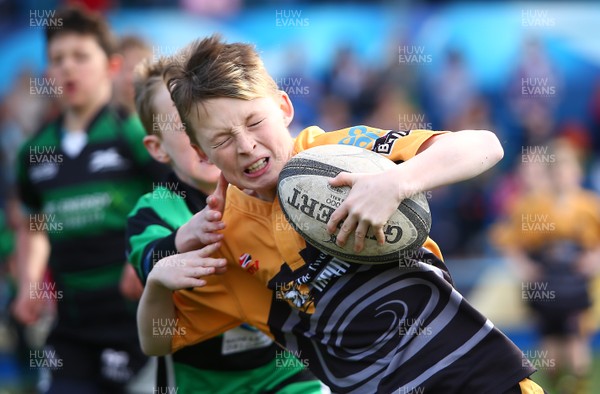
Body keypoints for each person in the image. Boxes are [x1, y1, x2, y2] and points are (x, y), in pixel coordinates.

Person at [137, 35, 546, 393]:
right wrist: (156, 284)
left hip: (482, 375)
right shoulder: (226, 238)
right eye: (222, 139)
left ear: (283, 108)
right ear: (201, 153)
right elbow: (156, 341)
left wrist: (395, 183)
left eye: (254, 121)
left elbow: (485, 146)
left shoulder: (338, 152)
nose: (245, 145)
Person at [126, 57, 326, 394]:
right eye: (183, 124)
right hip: (204, 383)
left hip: (290, 372)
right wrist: (177, 244)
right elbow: (148, 267)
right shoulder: (156, 209)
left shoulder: (273, 181)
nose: (200, 132)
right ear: (158, 148)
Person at [12, 6, 166, 392]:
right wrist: (30, 282)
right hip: (71, 328)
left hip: (137, 325)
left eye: (81, 56)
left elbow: (174, 193)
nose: (68, 68)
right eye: (58, 59)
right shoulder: (34, 151)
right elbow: (33, 223)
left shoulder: (133, 134)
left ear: (111, 66)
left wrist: (148, 252)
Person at [492, 140, 600, 394]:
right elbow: (509, 241)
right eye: (557, 170)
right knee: (549, 346)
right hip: (545, 282)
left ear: (577, 171)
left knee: (576, 341)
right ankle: (556, 385)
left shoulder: (589, 205)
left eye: (567, 168)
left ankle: (576, 387)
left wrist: (594, 258)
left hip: (575, 283)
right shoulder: (531, 206)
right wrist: (524, 267)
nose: (562, 175)